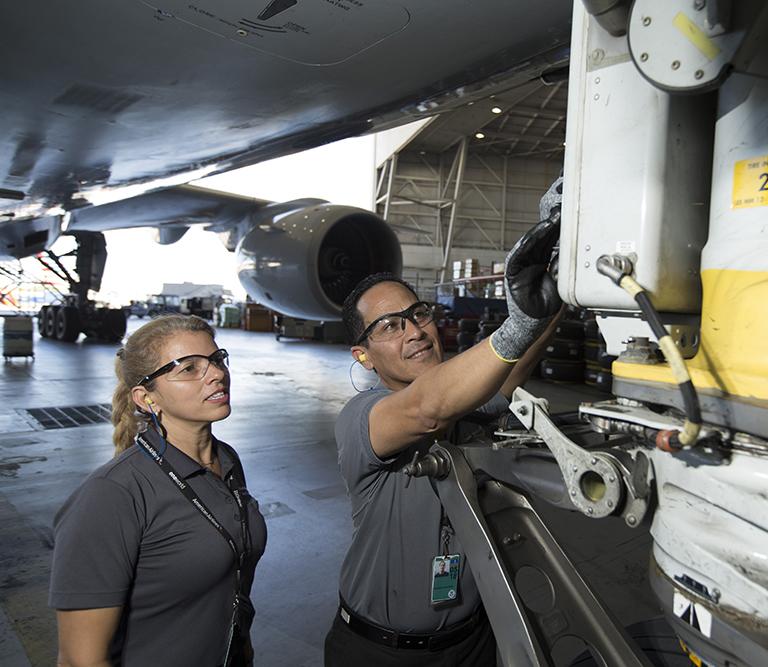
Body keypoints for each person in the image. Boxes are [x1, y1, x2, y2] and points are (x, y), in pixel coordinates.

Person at [324, 213, 563, 666]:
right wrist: (515, 326)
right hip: (382, 652)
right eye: (390, 326)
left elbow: (510, 370)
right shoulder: (363, 417)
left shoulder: (466, 405)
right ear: (363, 356)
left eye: (418, 314)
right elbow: (425, 408)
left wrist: (561, 278)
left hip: (472, 643)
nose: (414, 331)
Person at [49, 315, 267, 666]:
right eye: (188, 368)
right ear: (146, 397)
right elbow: (80, 660)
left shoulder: (226, 460)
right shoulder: (112, 495)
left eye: (217, 359)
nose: (217, 374)